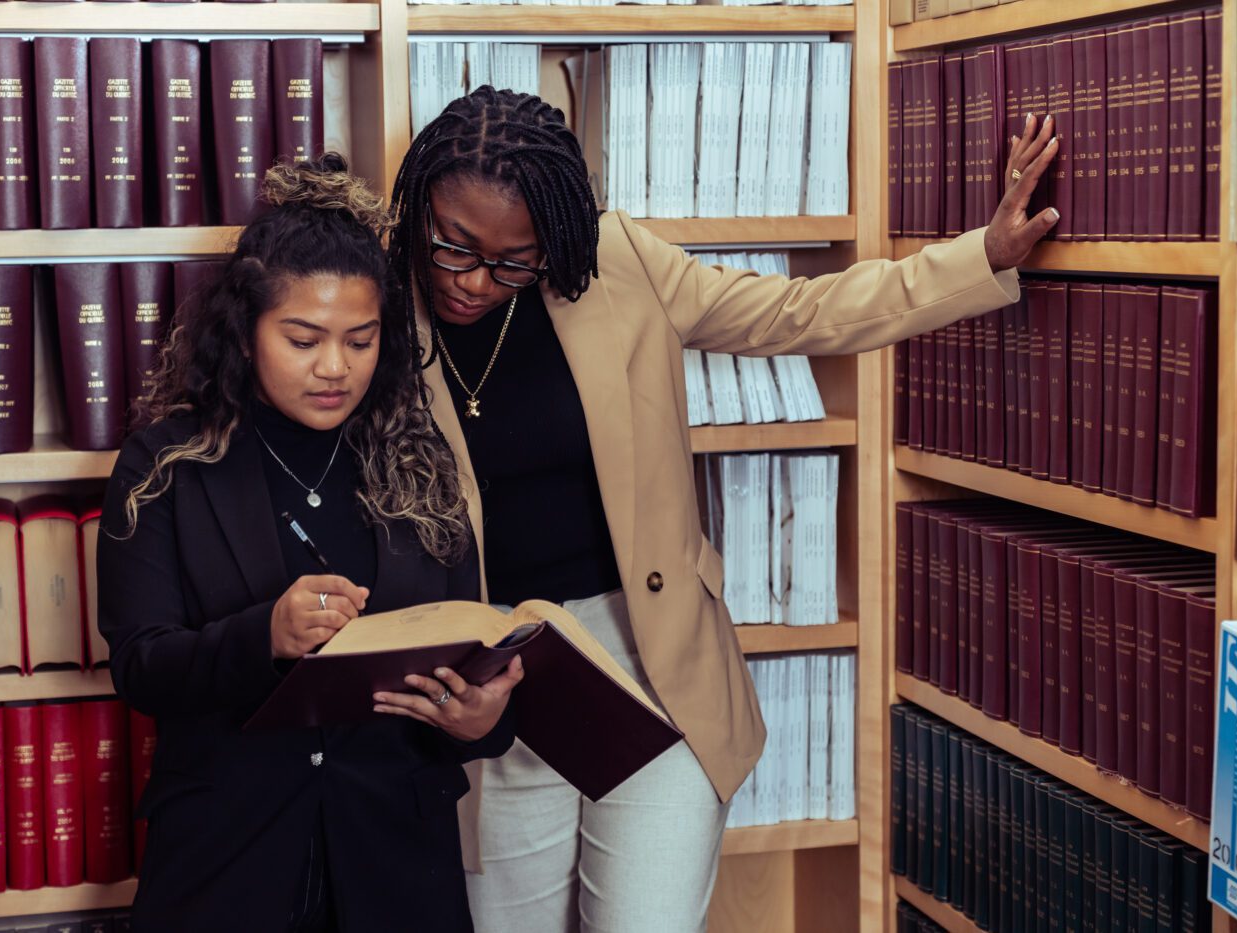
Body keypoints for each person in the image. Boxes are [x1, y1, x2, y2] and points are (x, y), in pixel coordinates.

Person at [385, 86, 1059, 932]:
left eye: (514, 259)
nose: (476, 280)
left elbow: (794, 312)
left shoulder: (617, 261)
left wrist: (981, 256)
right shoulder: (373, 304)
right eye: (453, 245)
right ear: (420, 207)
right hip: (497, 684)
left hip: (653, 662)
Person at [98, 153, 523, 932]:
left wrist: (483, 721)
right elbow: (141, 666)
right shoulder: (164, 464)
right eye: (303, 339)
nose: (335, 368)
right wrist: (264, 635)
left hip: (400, 868)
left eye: (360, 341)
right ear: (245, 330)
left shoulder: (418, 459)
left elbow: (468, 651)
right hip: (227, 864)